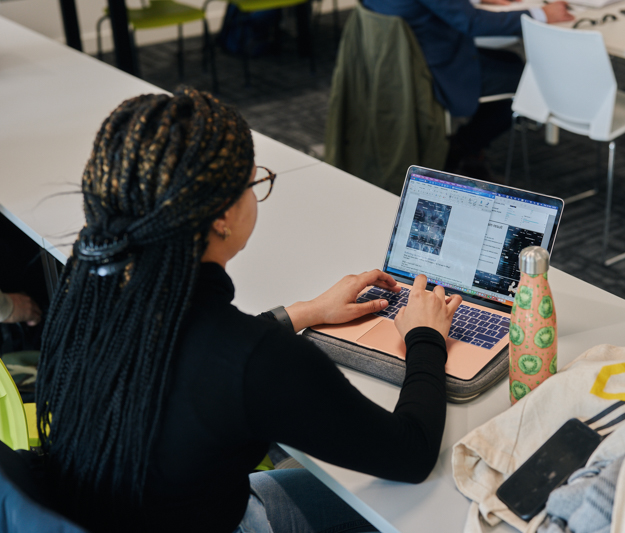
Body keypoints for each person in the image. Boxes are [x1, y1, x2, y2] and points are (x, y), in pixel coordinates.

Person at [36, 87, 462, 533]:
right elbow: (410, 455)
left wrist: (304, 312)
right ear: (222, 215)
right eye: (254, 183)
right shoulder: (256, 361)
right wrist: (425, 337)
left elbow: (198, 357)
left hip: (134, 513)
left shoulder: (84, 291)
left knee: (298, 465)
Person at [362, 0, 573, 179]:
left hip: (401, 61)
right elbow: (472, 23)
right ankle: (462, 147)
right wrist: (540, 14)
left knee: (512, 61)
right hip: (437, 68)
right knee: (532, 82)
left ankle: (469, 146)